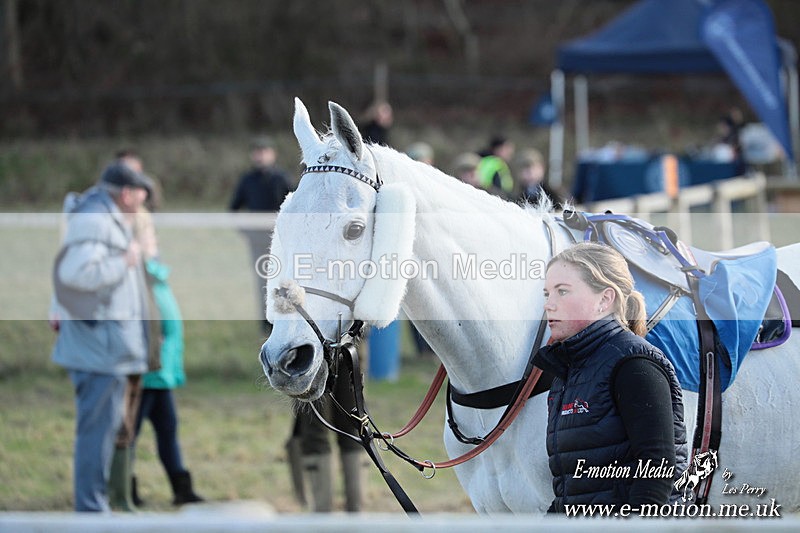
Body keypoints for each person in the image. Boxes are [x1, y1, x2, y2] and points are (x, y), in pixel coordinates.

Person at [533, 242, 688, 513]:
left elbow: (658, 472)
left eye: (563, 292)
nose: (549, 304)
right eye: (547, 293)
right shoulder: (568, 371)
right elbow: (572, 490)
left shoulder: (634, 363)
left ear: (605, 300)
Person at [51, 161, 153, 512]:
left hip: (104, 349)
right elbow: (77, 273)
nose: (144, 200)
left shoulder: (99, 216)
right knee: (96, 436)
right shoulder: (96, 219)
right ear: (126, 194)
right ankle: (92, 512)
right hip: (99, 351)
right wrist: (123, 262)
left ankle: (95, 508)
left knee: (103, 434)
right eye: (141, 193)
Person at [124, 156, 204, 508]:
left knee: (168, 430)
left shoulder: (155, 270)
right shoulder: (134, 273)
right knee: (129, 432)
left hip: (163, 371)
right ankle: (123, 488)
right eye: (147, 234)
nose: (152, 237)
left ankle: (181, 489)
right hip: (145, 369)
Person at [229, 136, 292, 330]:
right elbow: (233, 209)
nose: (260, 156)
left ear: (273, 154)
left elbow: (295, 205)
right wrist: (247, 232)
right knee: (262, 280)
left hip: (281, 241)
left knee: (283, 278)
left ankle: (284, 318)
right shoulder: (247, 181)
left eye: (264, 151)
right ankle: (266, 320)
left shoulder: (282, 178)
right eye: (257, 152)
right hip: (257, 241)